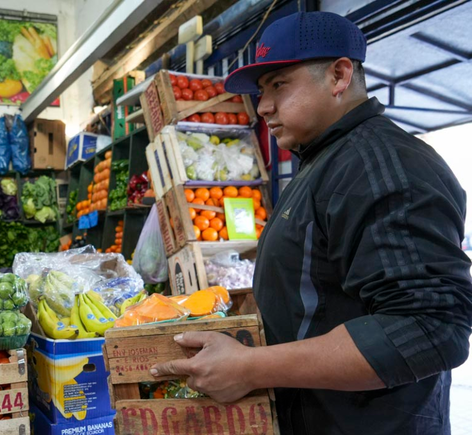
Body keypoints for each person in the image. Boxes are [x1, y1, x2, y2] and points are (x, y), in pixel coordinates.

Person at [150, 11, 472, 435]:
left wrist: (250, 367)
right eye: (262, 91)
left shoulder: (381, 167)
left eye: (279, 84)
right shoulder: (327, 162)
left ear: (339, 76)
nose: (263, 106)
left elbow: (429, 328)